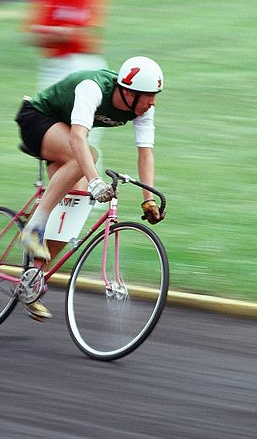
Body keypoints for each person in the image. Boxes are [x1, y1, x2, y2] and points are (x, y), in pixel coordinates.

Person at [14, 56, 166, 320]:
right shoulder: (92, 87)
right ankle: (33, 228)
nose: (153, 102)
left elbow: (145, 154)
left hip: (61, 130)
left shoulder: (142, 108)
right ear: (129, 92)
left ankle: (32, 280)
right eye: (148, 96)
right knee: (87, 159)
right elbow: (77, 138)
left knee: (76, 204)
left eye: (155, 96)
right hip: (37, 119)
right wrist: (96, 180)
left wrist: (148, 200)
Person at [26, 0, 109, 186]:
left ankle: (90, 190)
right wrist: (58, 33)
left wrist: (54, 32)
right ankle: (65, 192)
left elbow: (77, 31)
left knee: (83, 132)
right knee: (54, 131)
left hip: (79, 63)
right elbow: (37, 35)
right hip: (53, 65)